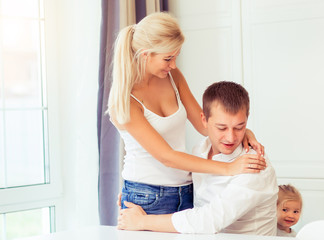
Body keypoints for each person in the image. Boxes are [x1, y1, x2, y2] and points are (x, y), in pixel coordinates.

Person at [108, 11, 266, 215]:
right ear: (146, 54)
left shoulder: (172, 76)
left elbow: (203, 125)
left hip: (186, 188)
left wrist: (244, 132)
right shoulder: (126, 100)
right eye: (168, 58)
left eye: (176, 57)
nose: (173, 65)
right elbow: (167, 157)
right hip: (145, 195)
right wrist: (229, 168)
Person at [117, 81, 278, 235]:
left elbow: (209, 220)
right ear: (204, 120)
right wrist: (132, 192)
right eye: (222, 128)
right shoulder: (200, 151)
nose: (230, 137)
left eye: (239, 127)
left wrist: (143, 221)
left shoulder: (256, 165)